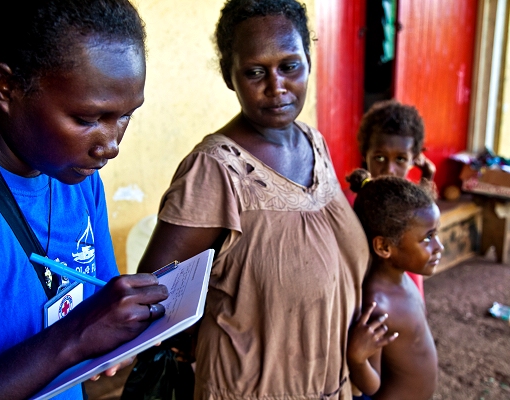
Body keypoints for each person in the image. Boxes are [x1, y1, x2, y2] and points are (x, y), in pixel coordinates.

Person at [0, 0, 169, 398]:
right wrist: (72, 340)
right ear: (6, 87)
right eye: (87, 119)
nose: (112, 144)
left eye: (126, 115)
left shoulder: (79, 176)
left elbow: (96, 303)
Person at [136, 0, 369, 398]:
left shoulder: (314, 143)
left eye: (290, 66)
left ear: (309, 60)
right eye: (255, 72)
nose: (276, 86)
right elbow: (153, 292)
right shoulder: (215, 171)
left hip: (330, 384)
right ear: (230, 76)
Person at [345, 169, 441, 400]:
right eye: (427, 238)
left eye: (435, 234)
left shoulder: (403, 277)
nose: (439, 246)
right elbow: (371, 386)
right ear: (384, 247)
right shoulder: (378, 303)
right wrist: (357, 358)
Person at [354, 99, 435, 298]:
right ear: (366, 154)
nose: (389, 170)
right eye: (379, 158)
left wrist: (428, 178)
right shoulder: (356, 205)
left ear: (414, 158)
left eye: (400, 159)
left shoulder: (412, 203)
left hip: (409, 290)